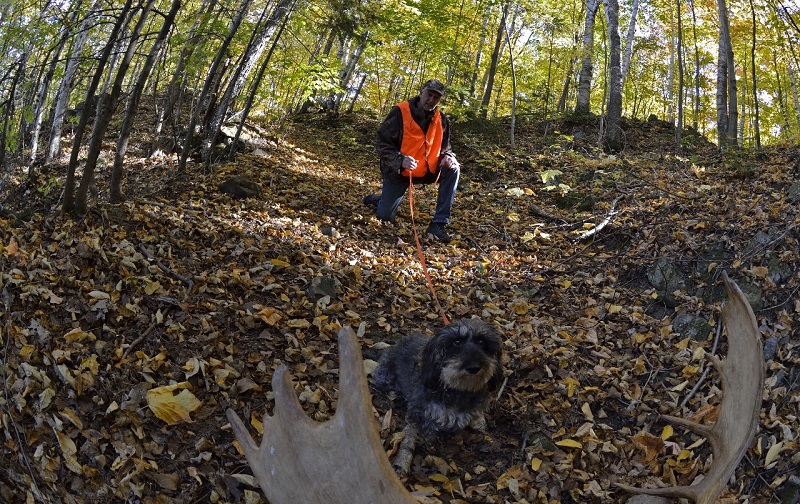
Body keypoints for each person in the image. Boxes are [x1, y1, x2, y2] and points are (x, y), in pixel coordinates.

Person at [363, 79, 460, 243]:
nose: (431, 100)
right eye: (429, 95)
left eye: (436, 97)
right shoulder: (400, 112)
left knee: (454, 168)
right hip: (399, 172)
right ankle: (380, 200)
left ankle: (438, 224)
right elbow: (381, 143)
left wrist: (448, 157)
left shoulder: (442, 120)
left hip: (427, 170)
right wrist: (400, 160)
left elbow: (446, 148)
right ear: (421, 93)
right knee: (385, 216)